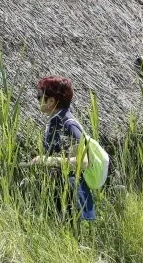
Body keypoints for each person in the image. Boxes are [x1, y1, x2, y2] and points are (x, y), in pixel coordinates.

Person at [31, 75, 96, 223]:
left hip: (73, 197)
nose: (37, 100)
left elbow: (84, 161)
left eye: (39, 96)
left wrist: (48, 160)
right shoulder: (54, 122)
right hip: (60, 195)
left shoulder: (68, 124)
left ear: (52, 101)